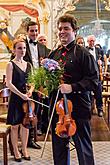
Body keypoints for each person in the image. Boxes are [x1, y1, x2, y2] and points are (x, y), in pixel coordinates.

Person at [49, 14, 99, 165]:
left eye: (66, 28)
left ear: (75, 31)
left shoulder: (84, 54)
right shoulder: (54, 54)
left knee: (83, 148)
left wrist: (72, 87)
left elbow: (93, 81)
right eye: (60, 29)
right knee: (59, 150)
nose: (62, 32)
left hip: (78, 108)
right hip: (58, 110)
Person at [6, 38, 34, 162]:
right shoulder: (10, 64)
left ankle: (24, 149)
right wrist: (20, 94)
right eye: (19, 48)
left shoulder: (29, 65)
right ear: (14, 50)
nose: (22, 50)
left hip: (27, 99)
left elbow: (33, 81)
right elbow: (9, 83)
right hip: (16, 99)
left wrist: (30, 91)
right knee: (15, 126)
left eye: (24, 48)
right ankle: (16, 151)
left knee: (25, 125)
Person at [23, 21, 50, 148]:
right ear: (27, 32)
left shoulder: (42, 47)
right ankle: (25, 140)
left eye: (36, 30)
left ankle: (32, 139)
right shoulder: (22, 46)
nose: (34, 33)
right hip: (26, 83)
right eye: (32, 31)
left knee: (36, 112)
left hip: (39, 83)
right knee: (27, 112)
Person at [86, 35, 104, 117]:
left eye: (93, 41)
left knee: (99, 92)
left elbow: (103, 61)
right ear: (87, 42)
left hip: (97, 75)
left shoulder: (99, 50)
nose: (91, 42)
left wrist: (101, 63)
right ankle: (88, 109)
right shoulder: (84, 50)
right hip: (87, 75)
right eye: (90, 41)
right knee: (87, 93)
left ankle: (100, 109)